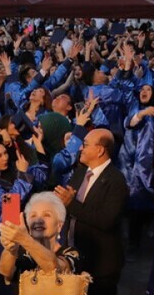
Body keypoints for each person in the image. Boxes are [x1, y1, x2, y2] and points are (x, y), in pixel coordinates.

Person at [54, 125, 127, 295]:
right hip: (73, 258)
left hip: (100, 266)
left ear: (100, 150)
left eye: (85, 144)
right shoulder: (80, 173)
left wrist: (71, 203)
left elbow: (106, 220)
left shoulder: (116, 180)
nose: (81, 148)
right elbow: (67, 204)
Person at [0, 192, 81, 283]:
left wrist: (24, 239)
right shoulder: (22, 252)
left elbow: (54, 269)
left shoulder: (71, 253)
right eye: (33, 215)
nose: (38, 220)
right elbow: (5, 272)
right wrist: (11, 251)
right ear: (28, 225)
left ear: (59, 225)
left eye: (46, 215)